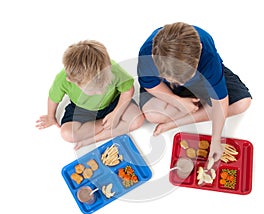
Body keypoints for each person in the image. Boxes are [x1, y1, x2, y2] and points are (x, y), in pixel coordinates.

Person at [137, 22, 252, 162]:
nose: (179, 83)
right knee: (152, 115)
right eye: (171, 78)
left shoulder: (208, 56)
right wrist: (178, 101)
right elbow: (152, 85)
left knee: (242, 103)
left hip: (202, 80)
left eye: (183, 79)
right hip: (167, 89)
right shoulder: (147, 53)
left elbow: (220, 101)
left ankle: (176, 122)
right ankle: (194, 105)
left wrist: (216, 140)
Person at [36, 40, 144, 150]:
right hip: (82, 110)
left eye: (106, 85)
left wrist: (116, 113)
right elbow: (53, 98)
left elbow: (127, 90)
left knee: (137, 120)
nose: (101, 92)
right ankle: (105, 124)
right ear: (72, 81)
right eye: (94, 90)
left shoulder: (113, 69)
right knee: (67, 134)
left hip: (113, 103)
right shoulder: (62, 79)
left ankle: (94, 138)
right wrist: (50, 117)